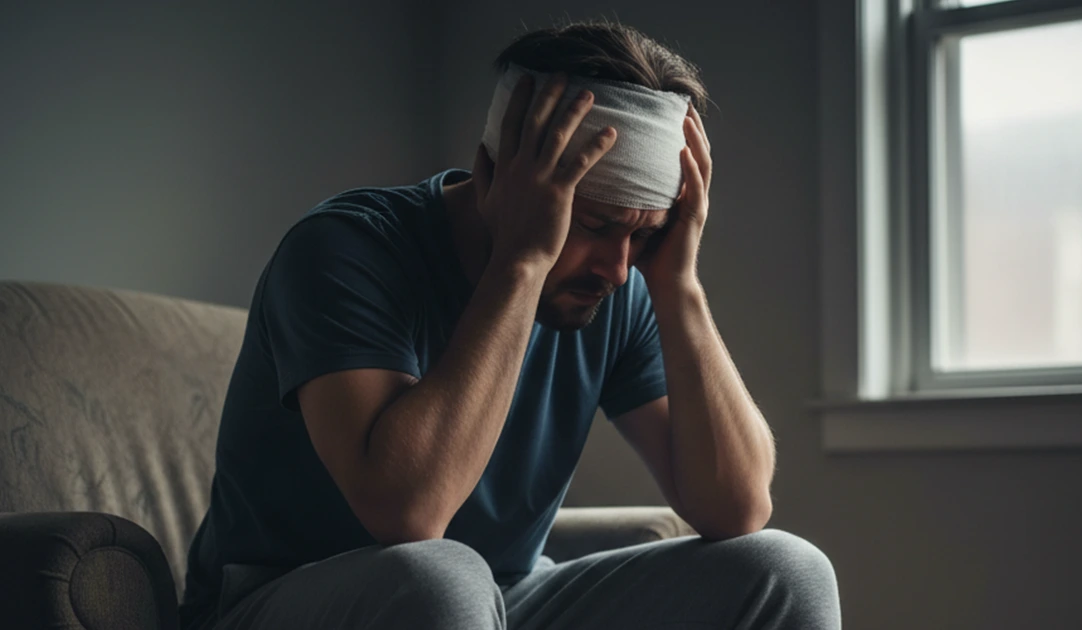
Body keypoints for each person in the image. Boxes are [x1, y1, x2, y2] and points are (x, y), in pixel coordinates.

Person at [180, 19, 840, 630]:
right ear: (497, 173)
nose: (616, 267)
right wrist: (521, 265)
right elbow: (408, 511)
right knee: (441, 574)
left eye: (646, 232)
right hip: (280, 600)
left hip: (501, 595)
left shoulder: (621, 283)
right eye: (594, 224)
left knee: (785, 571)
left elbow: (737, 507)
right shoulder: (344, 252)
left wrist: (678, 286)